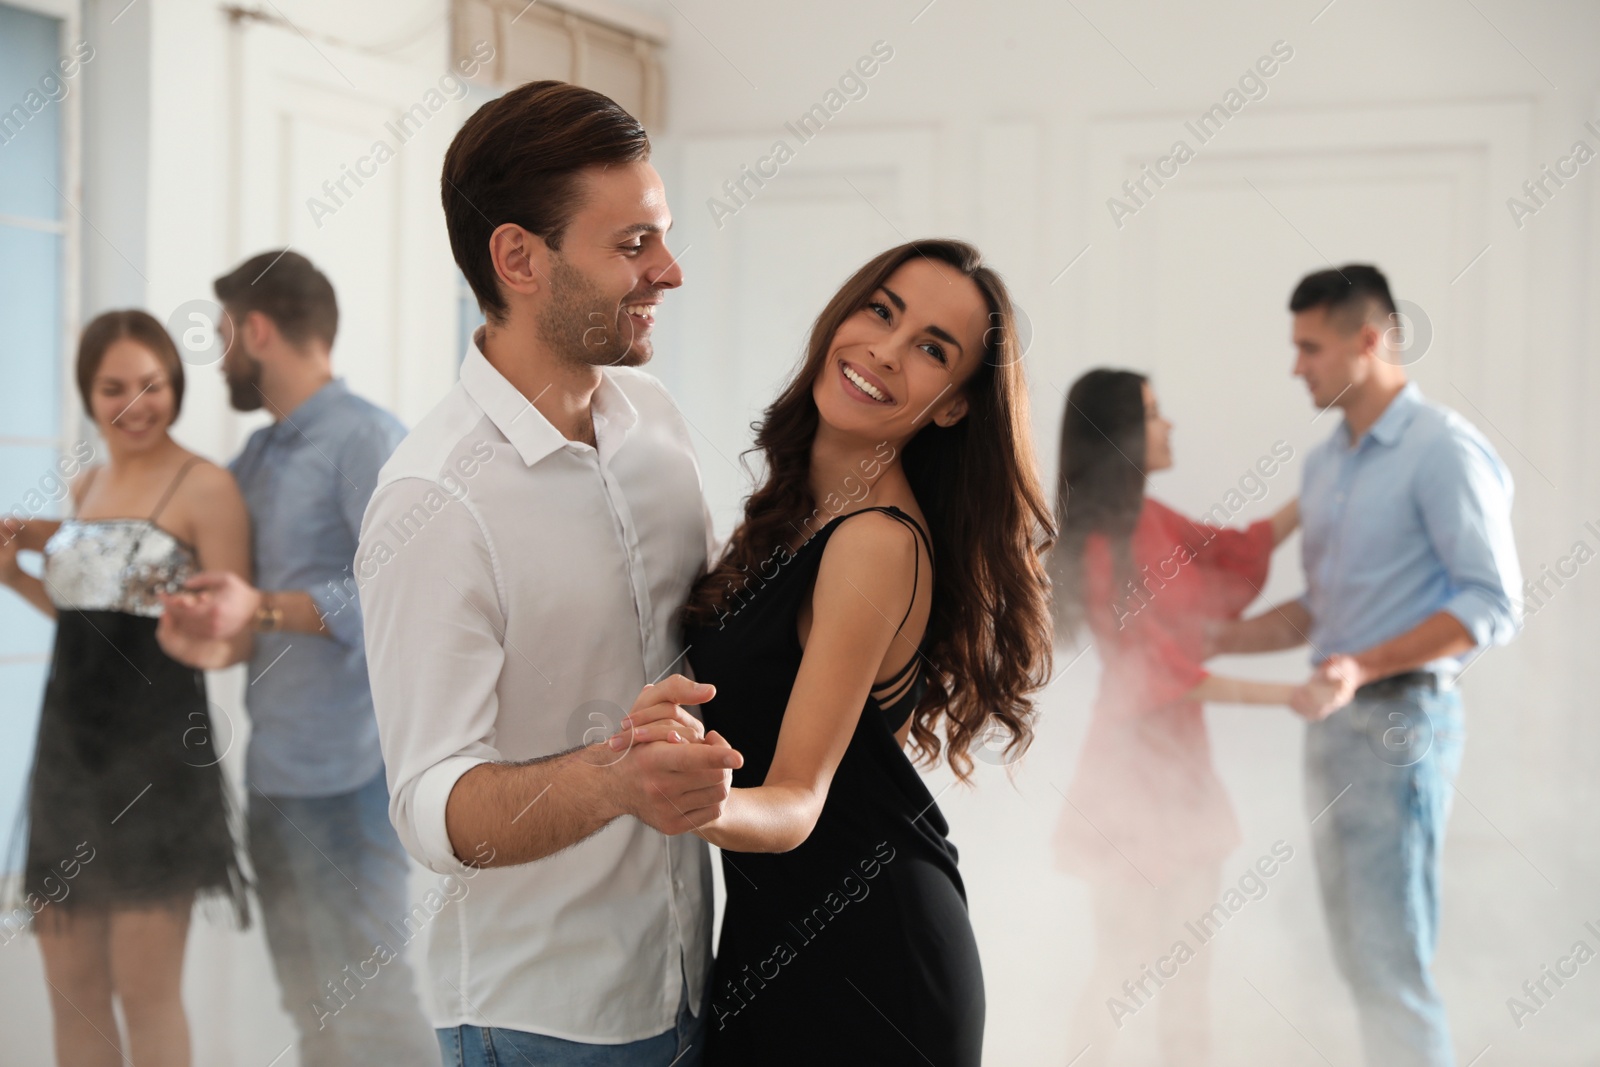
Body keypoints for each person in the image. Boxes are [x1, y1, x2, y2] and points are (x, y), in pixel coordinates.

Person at [357, 80, 741, 1067]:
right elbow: (430, 807)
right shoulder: (432, 501)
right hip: (537, 1020)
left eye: (659, 236)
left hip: (686, 981)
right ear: (519, 258)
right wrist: (614, 780)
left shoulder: (653, 422)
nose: (670, 270)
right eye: (631, 246)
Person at [644, 238, 1053, 1066]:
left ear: (952, 406)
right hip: (776, 944)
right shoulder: (799, 509)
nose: (885, 351)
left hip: (870, 965)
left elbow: (796, 797)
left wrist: (668, 792)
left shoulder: (875, 541)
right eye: (882, 311)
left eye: (932, 350)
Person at [1212, 265, 1522, 1067]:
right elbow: (1322, 612)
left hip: (1402, 724)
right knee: (1357, 961)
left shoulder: (1443, 449)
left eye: (1310, 347)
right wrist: (1209, 638)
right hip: (1334, 723)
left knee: (1391, 964)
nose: (1296, 367)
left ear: (1370, 339)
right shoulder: (1325, 468)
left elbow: (1491, 602)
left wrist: (1362, 666)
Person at [154, 251, 435, 1064]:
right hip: (275, 775)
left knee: (370, 1001)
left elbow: (396, 586)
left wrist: (263, 606)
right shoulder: (258, 455)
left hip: (350, 780)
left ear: (260, 330)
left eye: (224, 335)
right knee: (312, 1004)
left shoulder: (367, 438)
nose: (222, 358)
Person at [1046, 368, 1338, 1066]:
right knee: (1121, 967)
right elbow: (1166, 680)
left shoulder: (1153, 521)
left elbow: (1236, 550)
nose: (1168, 425)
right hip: (1127, 778)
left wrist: (1322, 484)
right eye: (1153, 413)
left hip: (1182, 777)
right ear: (1119, 436)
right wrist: (1294, 695)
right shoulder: (1098, 547)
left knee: (1188, 976)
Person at [0, 310, 249, 1067]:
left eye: (153, 385)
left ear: (176, 384)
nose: (136, 404)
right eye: (114, 387)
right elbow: (92, 622)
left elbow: (238, 634)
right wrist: (15, 577)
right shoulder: (88, 482)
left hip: (157, 766)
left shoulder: (206, 486)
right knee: (71, 994)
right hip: (68, 759)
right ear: (87, 392)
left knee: (145, 995)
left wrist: (203, 633)